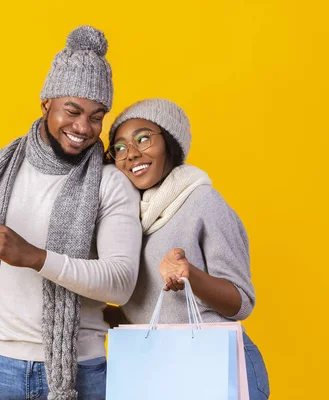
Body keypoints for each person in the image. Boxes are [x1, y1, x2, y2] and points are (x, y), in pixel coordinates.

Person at [0, 26, 142, 400]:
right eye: (72, 110)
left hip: (80, 371)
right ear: (46, 102)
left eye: (97, 116)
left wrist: (35, 258)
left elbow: (120, 281)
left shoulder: (110, 184)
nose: (83, 127)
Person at [105, 98, 270, 399]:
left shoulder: (202, 201)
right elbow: (148, 312)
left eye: (143, 138)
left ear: (169, 143)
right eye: (120, 147)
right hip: (160, 367)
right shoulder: (127, 217)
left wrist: (189, 274)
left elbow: (241, 302)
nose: (132, 154)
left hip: (218, 368)